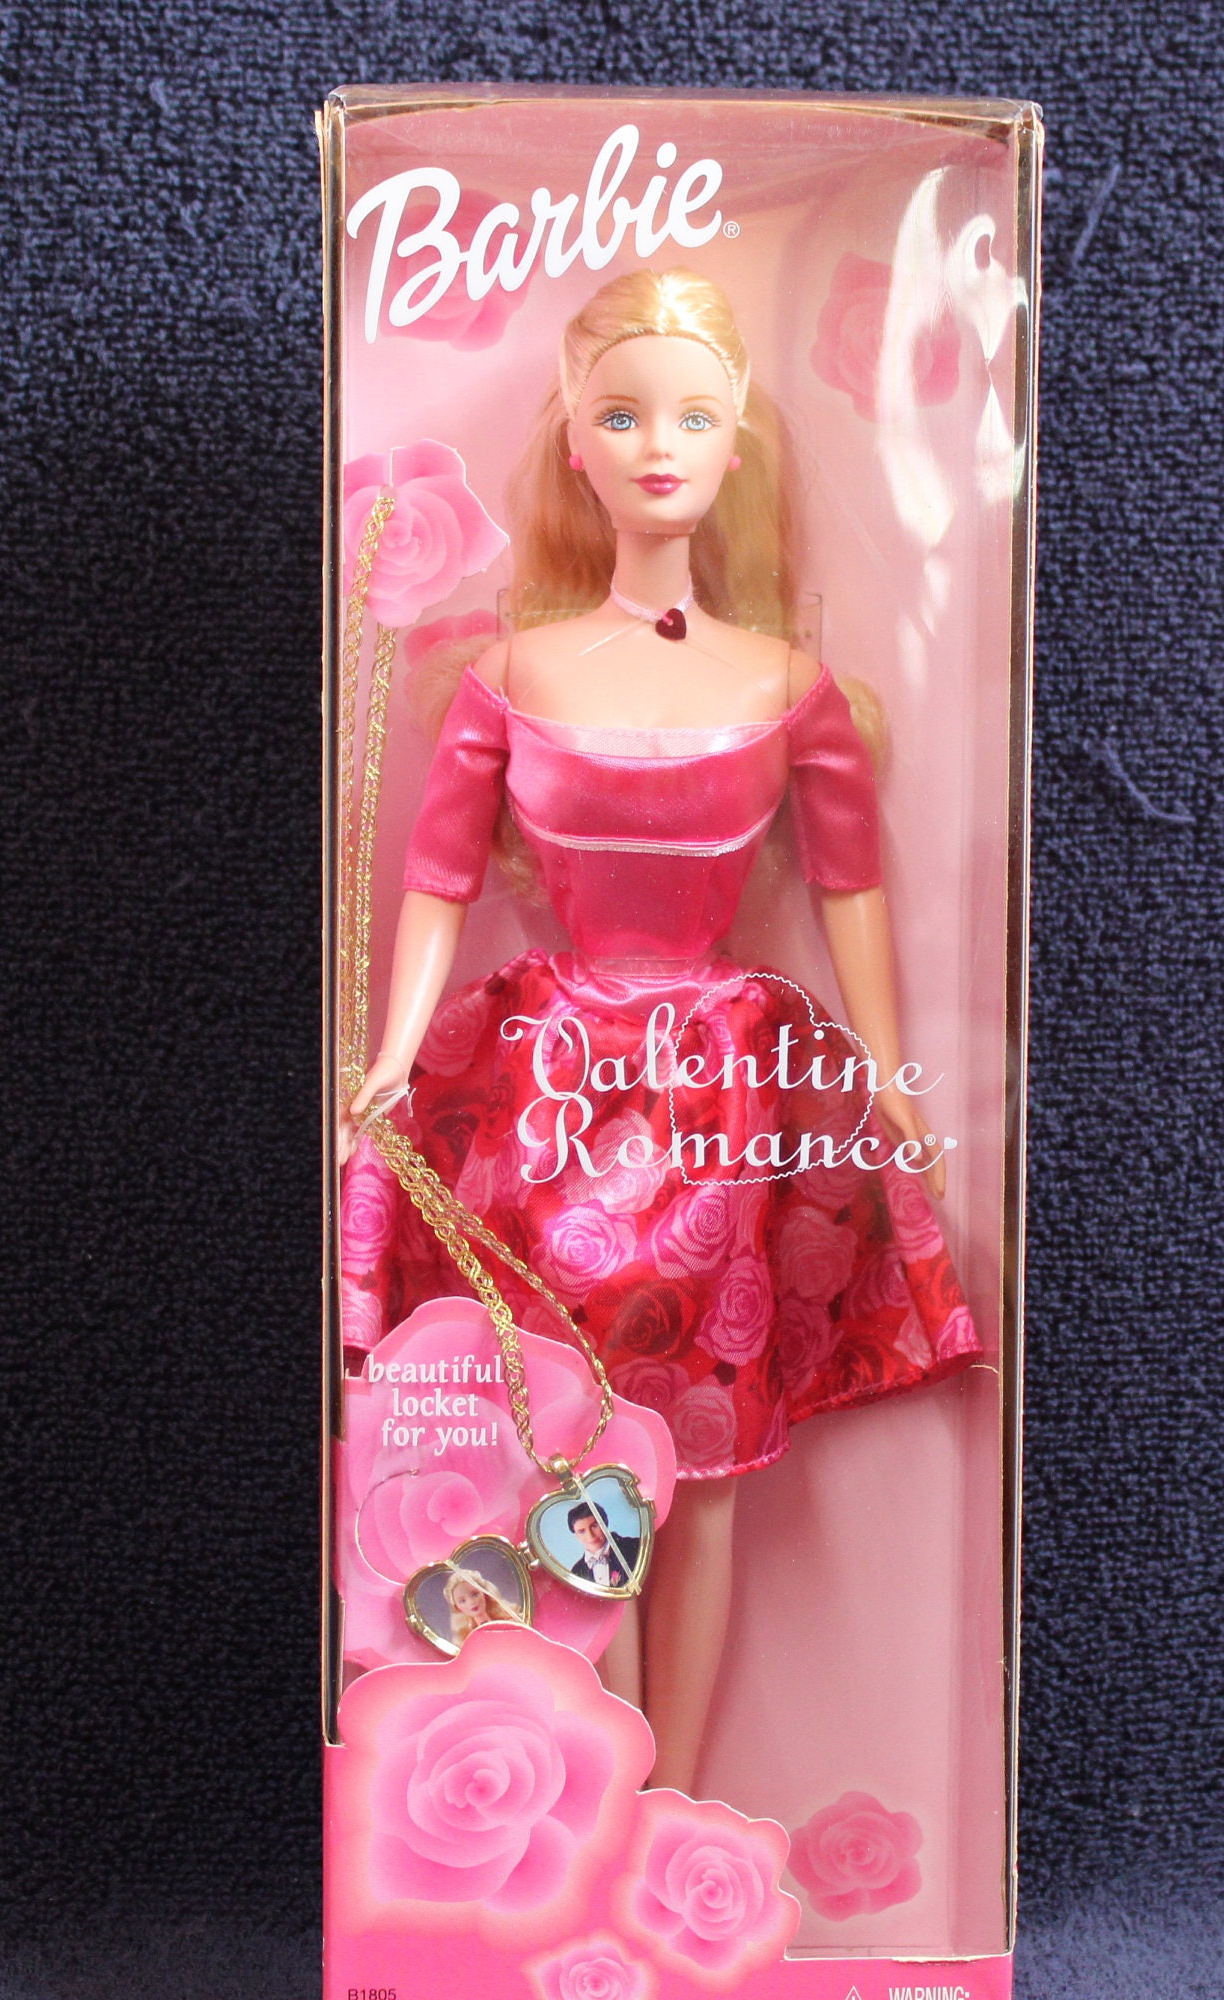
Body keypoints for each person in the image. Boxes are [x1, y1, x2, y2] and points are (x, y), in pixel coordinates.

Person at [336, 266, 979, 1797]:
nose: (657, 446)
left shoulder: (791, 689)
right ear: (575, 442)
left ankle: (672, 1795)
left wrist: (887, 1082)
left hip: (719, 1093)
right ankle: (595, 1777)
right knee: (566, 1437)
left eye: (691, 416)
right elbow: (434, 882)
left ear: (736, 440)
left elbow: (852, 888)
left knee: (711, 1463)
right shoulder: (510, 678)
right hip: (547, 1084)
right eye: (621, 415)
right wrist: (390, 1057)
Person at [564, 1500, 641, 1590]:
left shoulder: (634, 1546)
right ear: (577, 1536)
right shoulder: (577, 1572)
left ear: (605, 1522)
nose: (590, 1535)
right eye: (582, 1531)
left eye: (594, 1526)